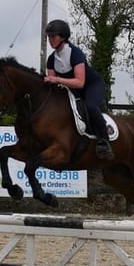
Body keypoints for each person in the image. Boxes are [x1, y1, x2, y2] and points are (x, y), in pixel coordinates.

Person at [43, 19, 114, 160]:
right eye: (49, 37)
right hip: (72, 90)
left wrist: (56, 79)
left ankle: (104, 142)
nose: (50, 40)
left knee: (90, 106)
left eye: (53, 37)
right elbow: (53, 86)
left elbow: (80, 82)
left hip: (91, 85)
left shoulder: (75, 53)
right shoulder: (51, 59)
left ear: (63, 37)